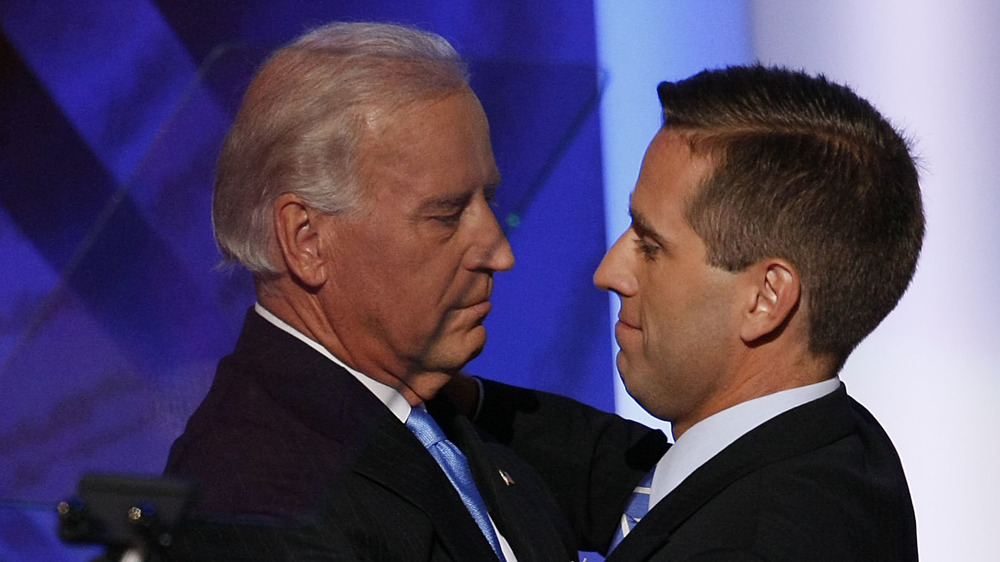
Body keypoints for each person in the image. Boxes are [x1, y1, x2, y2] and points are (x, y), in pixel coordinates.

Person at [468, 65, 922, 560]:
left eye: (651, 244)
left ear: (765, 298)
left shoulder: (749, 543)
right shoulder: (835, 444)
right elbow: (621, 473)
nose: (609, 272)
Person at [163, 22, 576, 561]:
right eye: (447, 215)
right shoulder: (254, 493)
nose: (500, 252)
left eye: (489, 200)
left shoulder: (433, 410)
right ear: (307, 240)